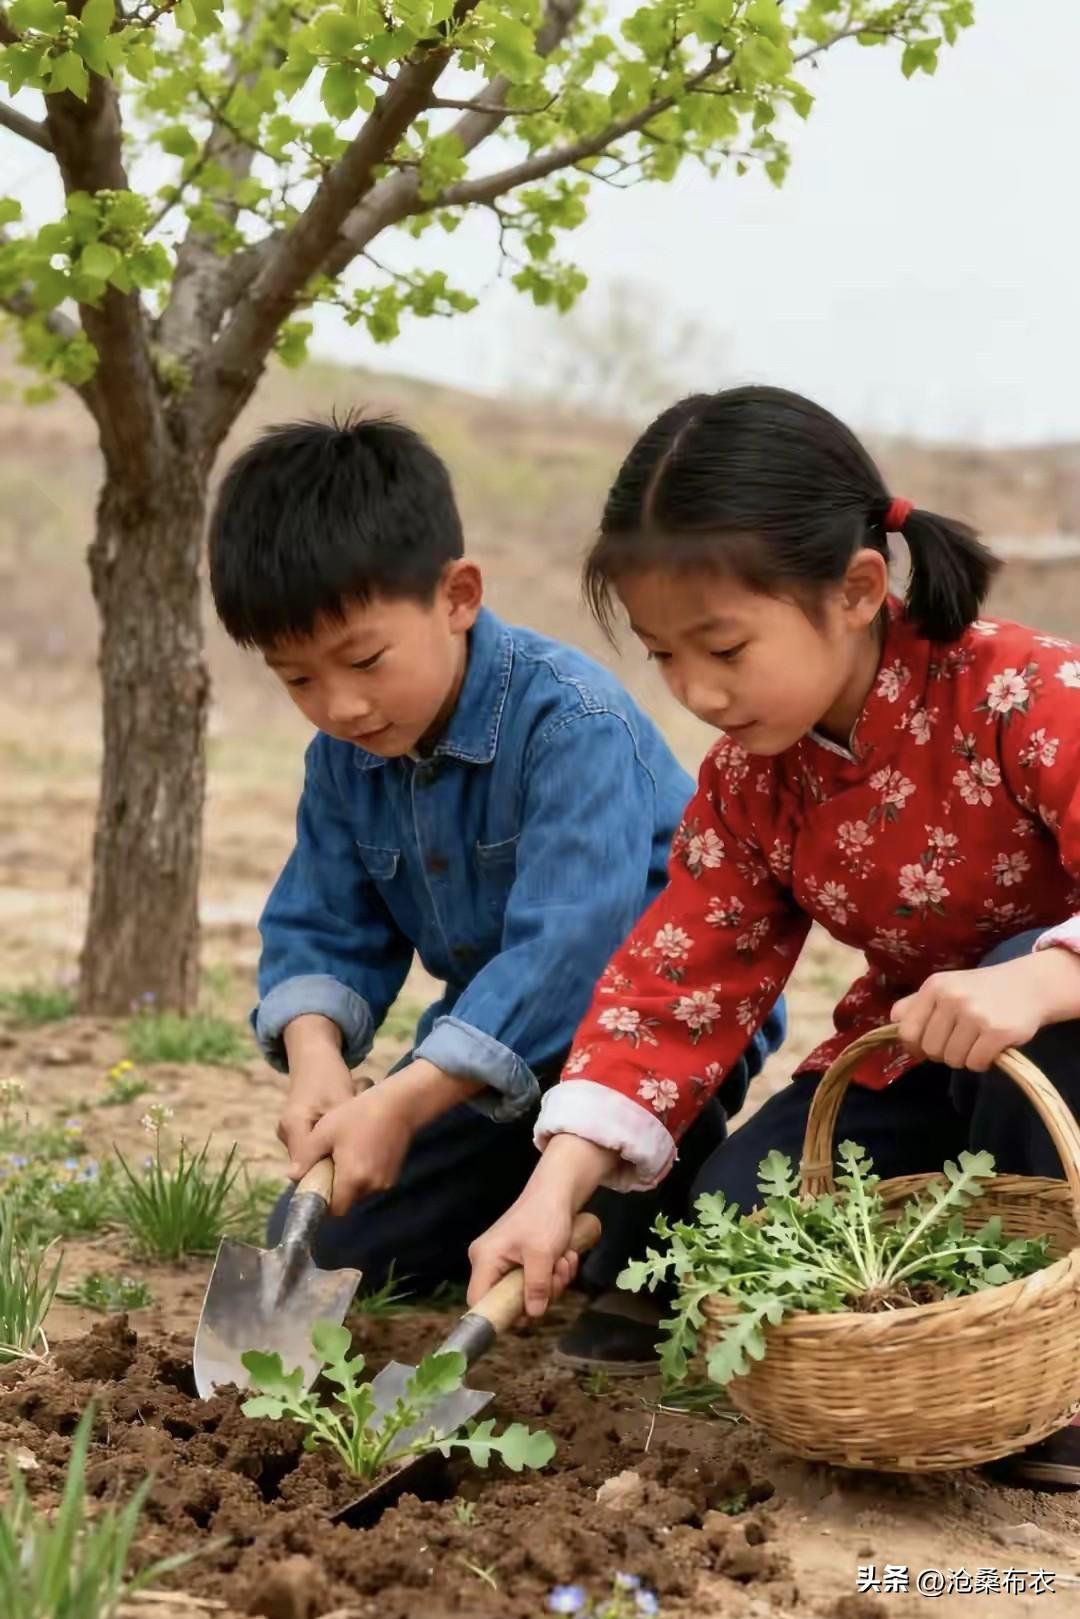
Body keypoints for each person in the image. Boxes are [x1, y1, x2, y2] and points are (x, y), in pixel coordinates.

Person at [467, 384, 1080, 1485]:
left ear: (854, 590)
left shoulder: (1029, 693)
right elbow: (676, 981)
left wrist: (1041, 981)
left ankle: (1060, 1369)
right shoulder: (755, 780)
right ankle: (942, 1319)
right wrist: (552, 1192)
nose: (697, 689)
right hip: (923, 1060)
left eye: (723, 645)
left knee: (1028, 1031)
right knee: (732, 1212)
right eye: (663, 654)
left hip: (1061, 1060)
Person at [206, 411, 785, 1368]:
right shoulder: (343, 759)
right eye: (298, 678)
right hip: (489, 1058)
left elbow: (568, 954)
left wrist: (404, 1100)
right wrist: (318, 1063)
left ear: (458, 595)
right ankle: (531, 1195)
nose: (340, 705)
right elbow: (321, 919)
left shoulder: (572, 724)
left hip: (651, 1042)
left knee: (635, 1238)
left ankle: (640, 1242)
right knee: (335, 1230)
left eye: (362, 661)